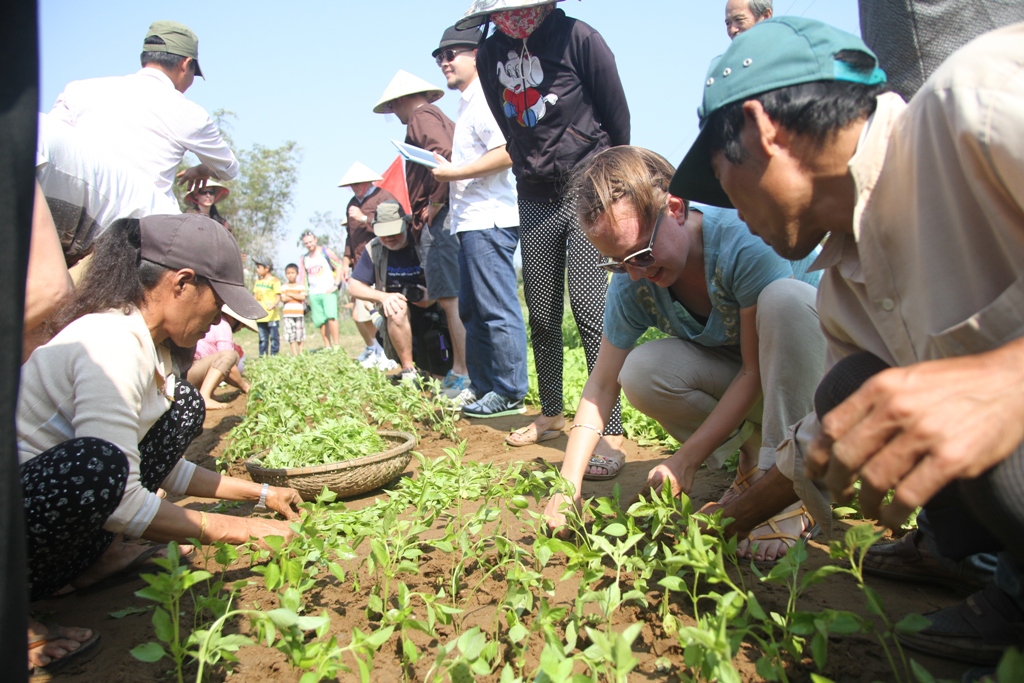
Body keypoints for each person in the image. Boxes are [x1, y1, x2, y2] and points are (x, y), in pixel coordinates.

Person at [671, 17, 1024, 665]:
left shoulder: (977, 102)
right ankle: (990, 572)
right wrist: (730, 516)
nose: (730, 208)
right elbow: (819, 440)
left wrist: (1006, 379)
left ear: (763, 129)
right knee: (847, 389)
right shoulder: (847, 284)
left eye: (722, 179)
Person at [18, 214, 300, 676]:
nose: (217, 321)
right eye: (217, 304)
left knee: (183, 405)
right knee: (96, 464)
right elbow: (116, 493)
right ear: (182, 283)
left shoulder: (143, 345)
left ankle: (93, 566)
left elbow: (153, 467)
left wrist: (261, 495)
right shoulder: (109, 343)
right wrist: (241, 530)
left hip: (46, 542)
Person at [544, 146, 825, 563]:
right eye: (618, 263)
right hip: (759, 381)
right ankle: (753, 463)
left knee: (783, 299)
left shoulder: (740, 242)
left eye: (640, 253)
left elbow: (754, 371)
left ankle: (789, 487)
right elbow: (601, 384)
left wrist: (685, 460)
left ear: (674, 208)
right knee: (641, 371)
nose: (636, 272)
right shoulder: (633, 281)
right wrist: (568, 487)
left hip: (821, 382)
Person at [458, 0, 630, 454]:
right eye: (499, 14)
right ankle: (552, 411)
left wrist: (604, 176)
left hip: (588, 188)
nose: (509, 20)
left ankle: (608, 428)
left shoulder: (580, 38)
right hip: (533, 192)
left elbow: (617, 118)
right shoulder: (490, 53)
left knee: (592, 311)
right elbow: (506, 122)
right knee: (542, 310)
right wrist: (530, 163)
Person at [430, 24, 529, 412]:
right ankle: (488, 386)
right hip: (470, 222)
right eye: (439, 56)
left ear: (476, 55)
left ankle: (508, 392)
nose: (444, 62)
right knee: (473, 310)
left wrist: (453, 172)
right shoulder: (467, 102)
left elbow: (507, 152)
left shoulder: (485, 99)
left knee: (496, 308)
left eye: (451, 54)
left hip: (488, 220)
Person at [49, 21, 237, 201]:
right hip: (143, 228)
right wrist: (201, 170)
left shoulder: (78, 91)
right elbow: (229, 168)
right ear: (185, 64)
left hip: (72, 222)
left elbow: (47, 144)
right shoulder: (189, 114)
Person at [373, 71, 469, 395]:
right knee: (454, 299)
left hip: (440, 217)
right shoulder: (436, 115)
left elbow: (445, 156)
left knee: (450, 301)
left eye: (393, 108)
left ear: (400, 100)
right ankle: (465, 369)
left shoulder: (420, 116)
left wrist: (436, 201)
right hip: (451, 214)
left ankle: (461, 372)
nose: (396, 115)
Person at [347, 201, 450, 382]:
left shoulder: (423, 240)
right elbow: (353, 286)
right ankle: (408, 369)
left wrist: (433, 297)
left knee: (440, 377)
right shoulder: (374, 248)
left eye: (394, 232)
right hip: (397, 316)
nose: (389, 238)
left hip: (434, 310)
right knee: (396, 307)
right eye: (383, 234)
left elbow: (450, 276)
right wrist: (384, 297)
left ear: (407, 224)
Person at [337, 162, 397, 368]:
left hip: (381, 261)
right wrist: (345, 261)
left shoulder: (384, 198)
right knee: (360, 313)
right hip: (359, 266)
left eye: (358, 183)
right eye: (352, 185)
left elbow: (395, 227)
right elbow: (350, 237)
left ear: (368, 181)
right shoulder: (351, 204)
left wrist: (364, 218)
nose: (355, 188)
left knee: (379, 310)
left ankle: (387, 352)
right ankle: (377, 348)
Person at [186, 305, 253, 410]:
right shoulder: (223, 326)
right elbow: (228, 366)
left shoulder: (214, 323)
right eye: (242, 325)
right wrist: (245, 386)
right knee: (231, 355)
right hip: (188, 375)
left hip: (187, 372)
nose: (240, 329)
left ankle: (210, 393)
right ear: (234, 319)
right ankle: (205, 397)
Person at [298, 231, 344, 350]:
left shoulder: (325, 252)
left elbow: (338, 265)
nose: (309, 244)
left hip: (328, 289)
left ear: (315, 240)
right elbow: (302, 277)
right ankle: (327, 346)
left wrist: (336, 284)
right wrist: (303, 292)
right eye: (306, 243)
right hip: (314, 292)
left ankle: (337, 345)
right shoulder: (304, 259)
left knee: (331, 316)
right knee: (320, 321)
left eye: (310, 241)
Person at [251, 257, 281, 357]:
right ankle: (262, 357)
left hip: (272, 316)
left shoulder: (275, 281)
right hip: (261, 316)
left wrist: (273, 305)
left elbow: (278, 296)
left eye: (259, 267)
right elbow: (255, 297)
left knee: (274, 338)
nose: (257, 269)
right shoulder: (258, 282)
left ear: (267, 268)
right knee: (263, 338)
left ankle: (274, 357)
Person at [281, 263, 306, 356]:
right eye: (288, 273)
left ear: (297, 274)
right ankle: (294, 353)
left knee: (300, 334)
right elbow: (283, 299)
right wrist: (297, 296)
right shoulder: (284, 287)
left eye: (292, 273)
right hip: (288, 314)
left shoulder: (301, 286)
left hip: (299, 313)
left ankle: (301, 352)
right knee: (290, 334)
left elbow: (302, 297)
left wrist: (290, 295)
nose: (290, 275)